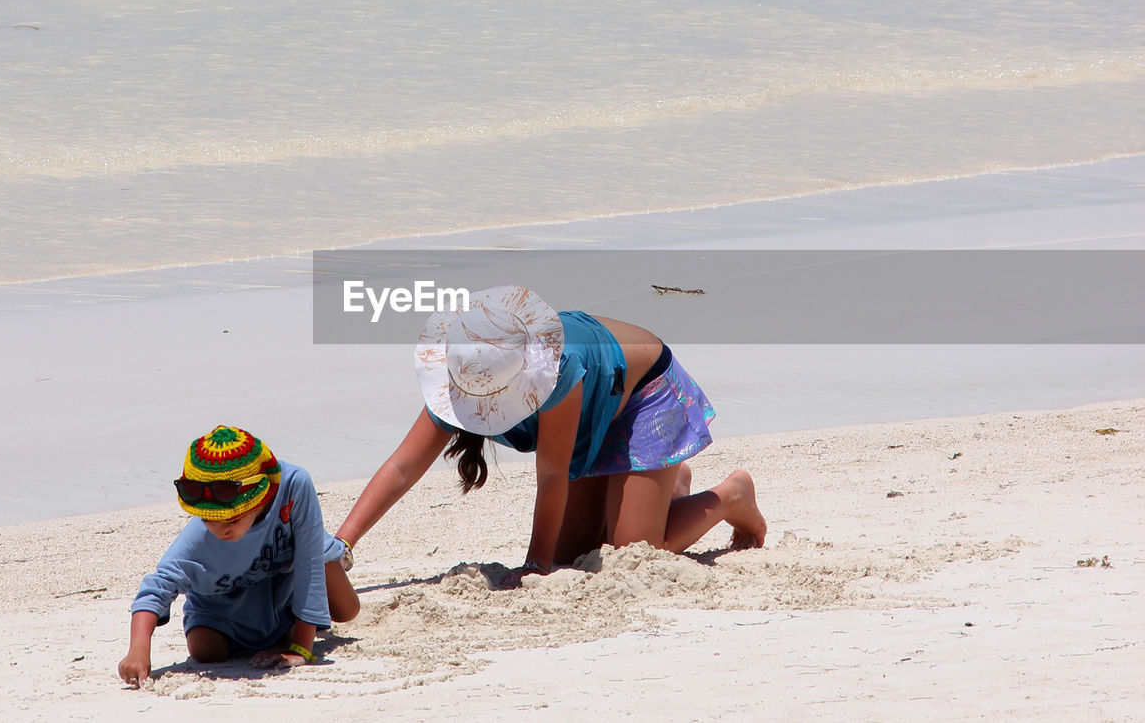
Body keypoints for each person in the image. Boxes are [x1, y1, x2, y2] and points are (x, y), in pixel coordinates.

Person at [336, 285, 766, 576]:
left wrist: (533, 568)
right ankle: (665, 485)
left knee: (632, 551)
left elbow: (554, 475)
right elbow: (401, 469)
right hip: (597, 412)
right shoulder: (467, 370)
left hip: (642, 395)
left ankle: (730, 495)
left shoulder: (554, 373)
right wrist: (342, 546)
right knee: (575, 555)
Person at [118, 425, 359, 687]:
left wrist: (301, 648)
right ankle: (274, 632)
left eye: (233, 517)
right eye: (210, 518)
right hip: (226, 604)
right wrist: (138, 650)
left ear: (261, 498)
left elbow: (309, 565)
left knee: (347, 609)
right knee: (204, 649)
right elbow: (156, 587)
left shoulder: (293, 486)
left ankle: (298, 611)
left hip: (286, 580)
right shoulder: (198, 539)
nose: (220, 529)